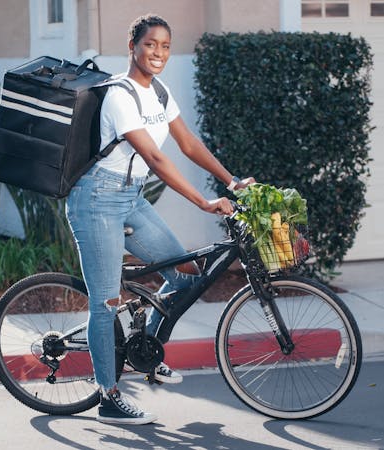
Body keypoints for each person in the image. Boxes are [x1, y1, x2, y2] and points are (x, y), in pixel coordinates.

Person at [65, 14, 254, 425]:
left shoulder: (160, 93)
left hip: (130, 198)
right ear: (133, 45)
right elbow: (154, 156)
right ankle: (108, 397)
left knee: (187, 273)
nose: (158, 53)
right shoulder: (119, 94)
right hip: (96, 199)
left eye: (166, 46)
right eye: (151, 44)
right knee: (105, 302)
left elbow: (187, 143)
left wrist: (232, 181)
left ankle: (145, 350)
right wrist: (203, 202)